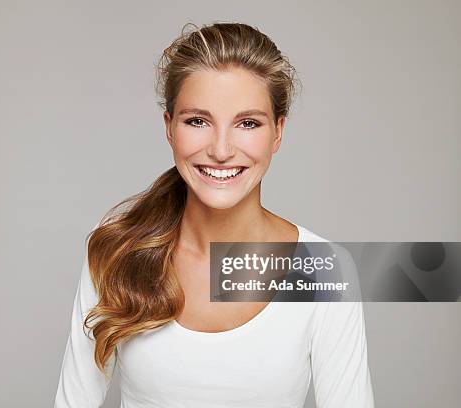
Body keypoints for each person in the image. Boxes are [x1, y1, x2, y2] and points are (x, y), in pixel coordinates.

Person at [54, 21, 375, 407]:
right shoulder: (116, 250)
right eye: (198, 121)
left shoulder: (324, 271)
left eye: (247, 123)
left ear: (278, 132)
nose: (221, 150)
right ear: (169, 128)